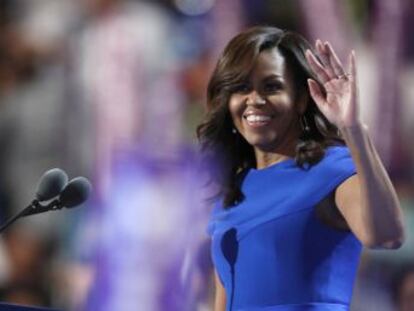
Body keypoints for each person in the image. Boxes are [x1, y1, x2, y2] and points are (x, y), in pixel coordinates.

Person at [197, 26, 405, 311]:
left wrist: (353, 129)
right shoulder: (233, 191)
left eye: (272, 86)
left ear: (301, 99)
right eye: (241, 87)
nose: (254, 99)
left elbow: (386, 235)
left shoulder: (333, 169)